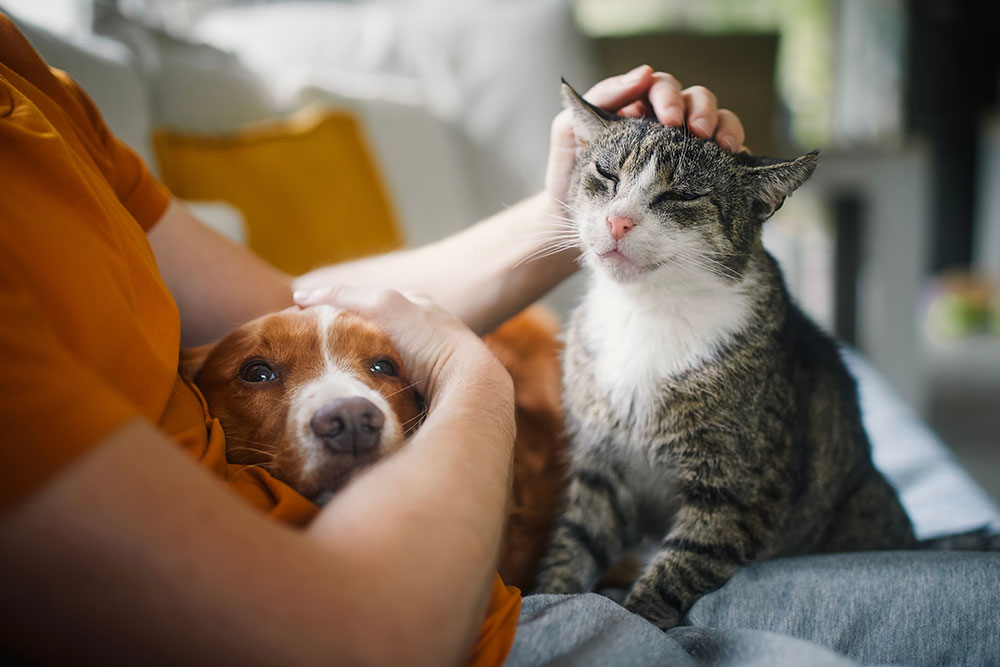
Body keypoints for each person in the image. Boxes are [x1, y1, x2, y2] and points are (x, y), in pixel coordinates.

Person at [0, 12, 747, 665]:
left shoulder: (33, 83)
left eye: (385, 369)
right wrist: (470, 374)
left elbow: (290, 310)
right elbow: (359, 641)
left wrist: (564, 217)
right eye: (260, 375)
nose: (347, 409)